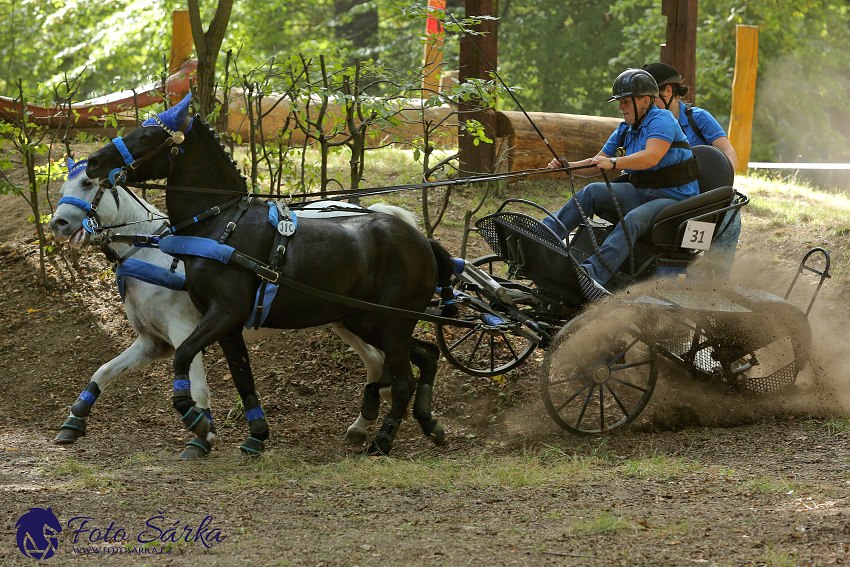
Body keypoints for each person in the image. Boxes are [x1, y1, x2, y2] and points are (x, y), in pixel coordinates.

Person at [542, 68, 700, 301]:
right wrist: (569, 166)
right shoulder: (625, 128)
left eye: (626, 101)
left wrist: (614, 162)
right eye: (620, 102)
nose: (620, 107)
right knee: (593, 192)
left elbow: (651, 156)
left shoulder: (663, 119)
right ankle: (544, 235)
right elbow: (598, 163)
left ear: (645, 101)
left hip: (675, 199)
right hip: (641, 192)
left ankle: (591, 275)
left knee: (633, 221)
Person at [643, 62, 740, 277]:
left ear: (668, 91)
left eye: (651, 97)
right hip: (667, 197)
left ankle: (715, 281)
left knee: (728, 211)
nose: (647, 105)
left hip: (701, 201)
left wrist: (720, 191)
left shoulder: (698, 118)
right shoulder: (648, 124)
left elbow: (728, 152)